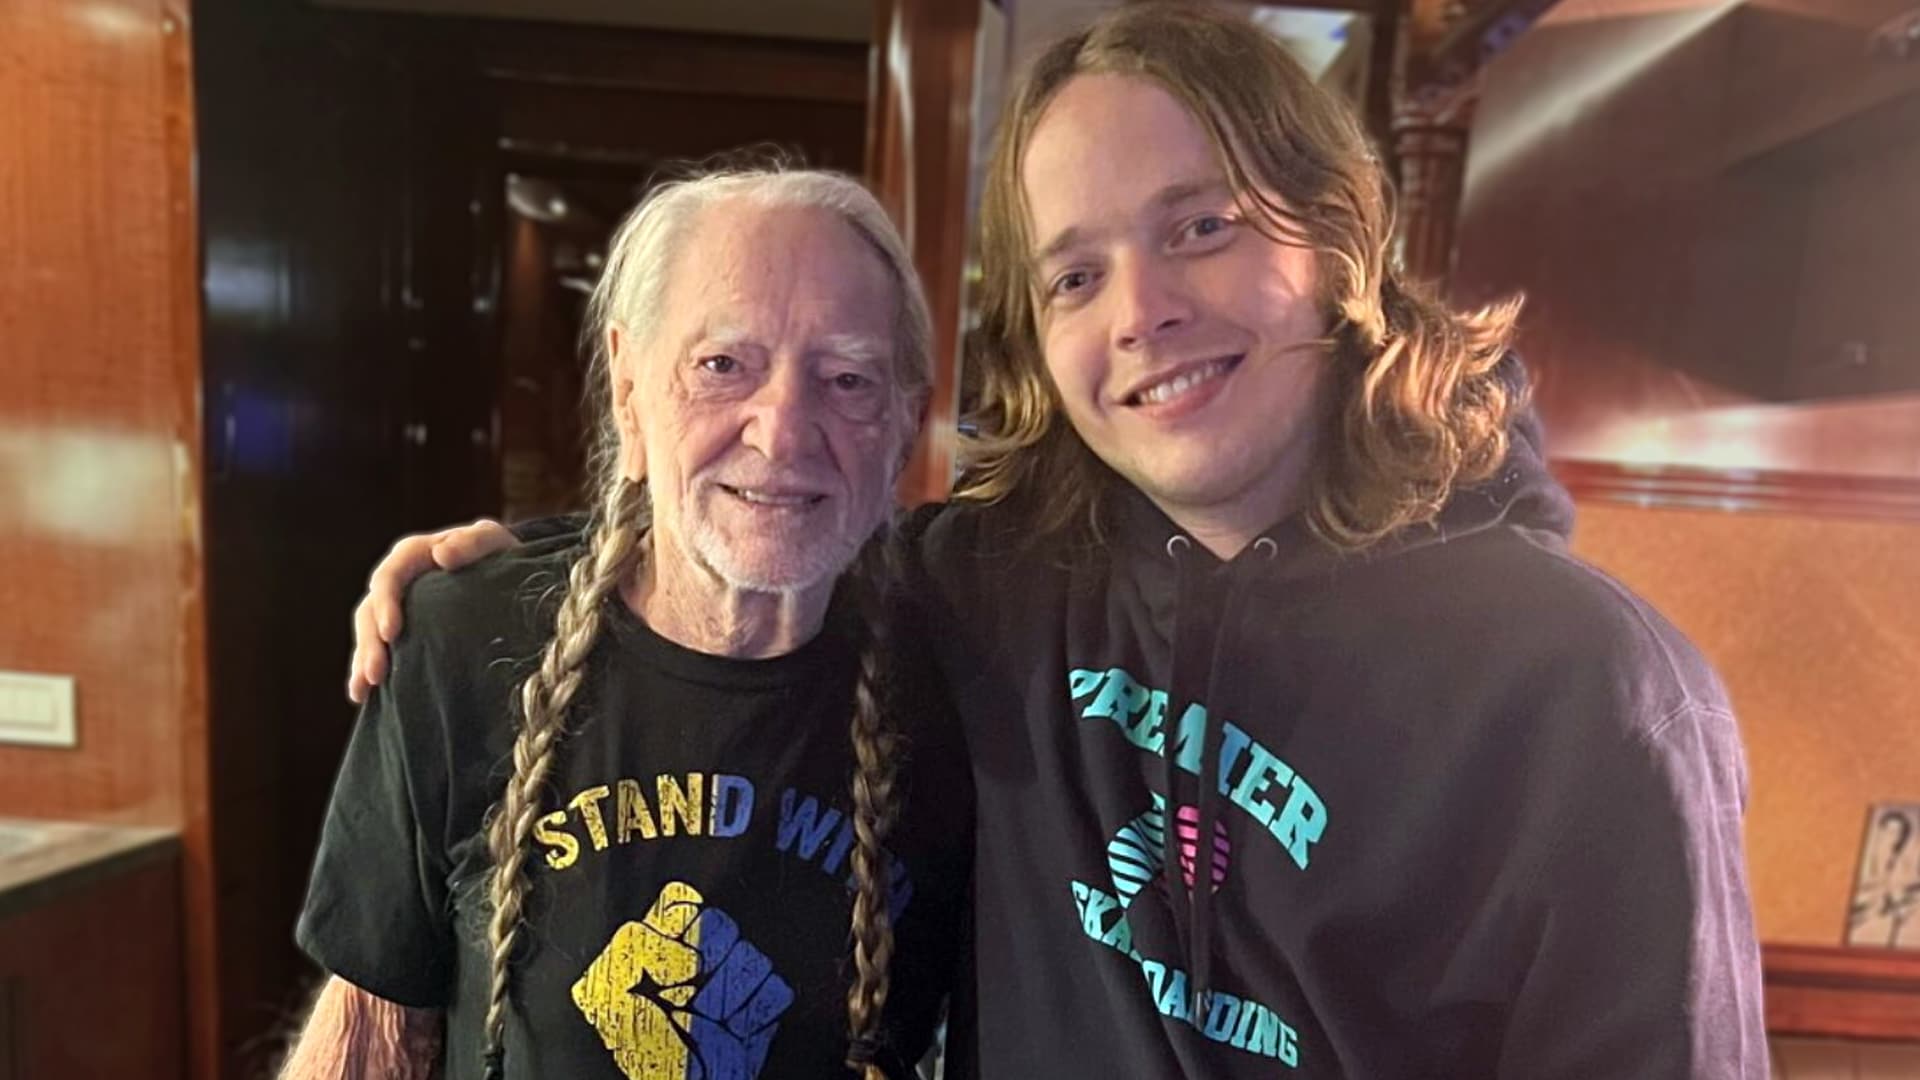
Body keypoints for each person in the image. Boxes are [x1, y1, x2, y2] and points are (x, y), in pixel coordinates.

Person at [347, 5, 1766, 1076]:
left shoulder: (1592, 693)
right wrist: (517, 573)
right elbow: (775, 503)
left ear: (1336, 244)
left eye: (1201, 226)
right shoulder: (999, 585)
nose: (1141, 309)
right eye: (1078, 272)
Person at [284, 168, 970, 1080]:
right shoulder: (465, 642)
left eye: (847, 378)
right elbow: (372, 1045)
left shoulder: (970, 670)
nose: (782, 433)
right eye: (722, 366)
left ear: (902, 425)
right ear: (629, 389)